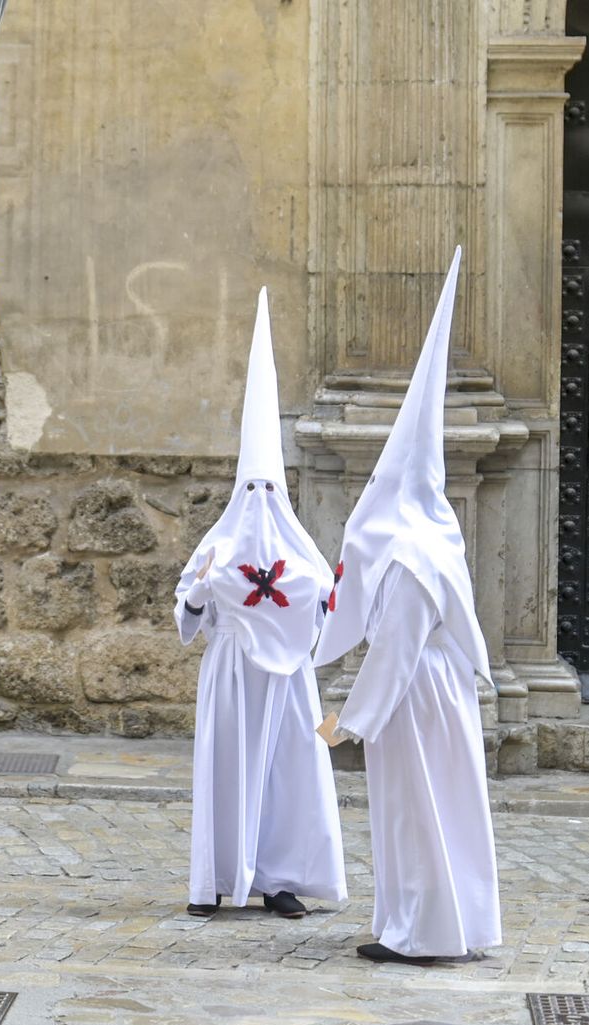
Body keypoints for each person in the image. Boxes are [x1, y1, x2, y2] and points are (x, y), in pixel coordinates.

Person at [313, 248, 501, 963]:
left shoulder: (412, 555)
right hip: (435, 694)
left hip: (416, 699)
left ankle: (423, 932)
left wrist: (349, 722)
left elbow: (395, 649)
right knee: (443, 808)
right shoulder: (436, 537)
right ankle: (448, 924)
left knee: (417, 811)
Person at [175, 288, 347, 920]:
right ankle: (217, 879)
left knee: (287, 775)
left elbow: (328, 606)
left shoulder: (303, 557)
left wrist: (325, 592)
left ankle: (280, 880)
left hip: (290, 683)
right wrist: (202, 589)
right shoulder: (216, 547)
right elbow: (185, 616)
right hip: (229, 677)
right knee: (228, 771)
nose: (259, 500)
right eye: (250, 489)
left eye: (269, 489)